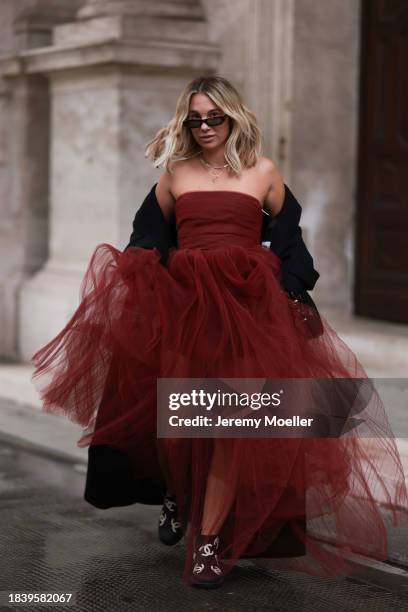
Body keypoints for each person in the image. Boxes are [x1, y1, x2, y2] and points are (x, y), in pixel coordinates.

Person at [31, 75, 408, 590]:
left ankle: (207, 541)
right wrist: (147, 279)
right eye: (195, 119)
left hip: (247, 314)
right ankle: (177, 492)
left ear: (234, 117)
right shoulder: (175, 174)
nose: (205, 127)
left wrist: (289, 288)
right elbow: (147, 238)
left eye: (214, 118)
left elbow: (290, 241)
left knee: (232, 425)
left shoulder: (263, 172)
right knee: (178, 420)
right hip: (186, 311)